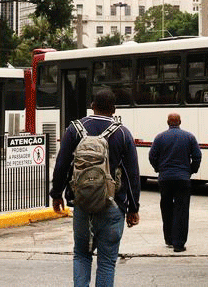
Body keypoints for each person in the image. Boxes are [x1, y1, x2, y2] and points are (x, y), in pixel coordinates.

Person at [51, 87, 140, 287]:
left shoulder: (75, 129)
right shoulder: (123, 133)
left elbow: (62, 165)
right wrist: (133, 208)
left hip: (83, 204)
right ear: (114, 109)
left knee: (81, 255)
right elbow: (132, 174)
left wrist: (57, 194)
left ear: (92, 107)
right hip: (113, 205)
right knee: (107, 262)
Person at [148, 112, 201, 253]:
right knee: (181, 210)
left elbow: (152, 156)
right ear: (180, 122)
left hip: (165, 179)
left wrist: (158, 168)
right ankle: (179, 244)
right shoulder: (189, 137)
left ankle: (169, 239)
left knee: (166, 208)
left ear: (167, 122)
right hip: (183, 179)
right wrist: (191, 171)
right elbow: (197, 156)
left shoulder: (159, 137)